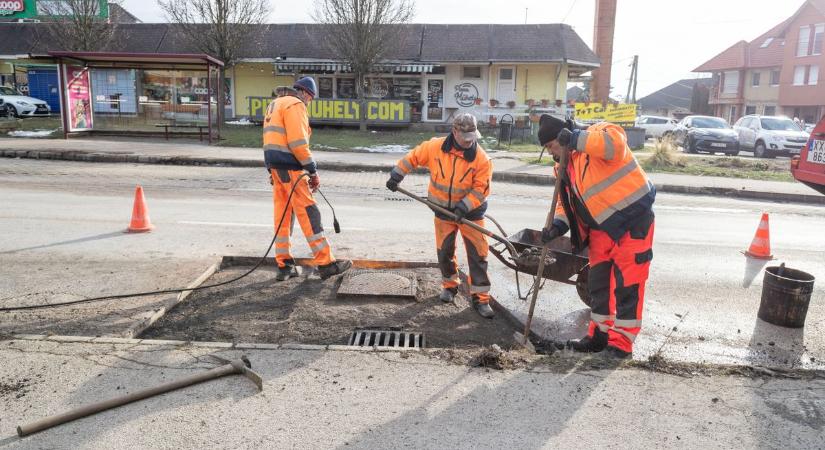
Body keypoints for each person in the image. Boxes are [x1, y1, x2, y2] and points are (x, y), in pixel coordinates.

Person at [538, 115, 656, 358]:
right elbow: (565, 204)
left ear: (562, 137)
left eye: (551, 146)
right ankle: (598, 336)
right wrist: (557, 227)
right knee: (598, 285)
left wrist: (577, 138)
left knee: (628, 286)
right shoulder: (563, 168)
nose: (551, 153)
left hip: (632, 222)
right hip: (600, 231)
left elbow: (615, 145)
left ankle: (621, 344)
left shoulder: (599, 133)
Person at [385, 114, 495, 318]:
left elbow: (481, 189)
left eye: (473, 136)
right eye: (465, 137)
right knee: (444, 251)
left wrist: (464, 206)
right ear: (454, 132)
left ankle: (481, 298)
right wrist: (397, 174)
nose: (470, 140)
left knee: (478, 256)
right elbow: (412, 157)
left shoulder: (482, 159)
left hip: (470, 214)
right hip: (442, 211)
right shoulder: (434, 147)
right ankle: (450, 286)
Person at [263, 77, 351, 281]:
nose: (308, 103)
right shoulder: (295, 104)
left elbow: (270, 139)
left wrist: (270, 169)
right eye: (310, 99)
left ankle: (284, 265)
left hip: (276, 168)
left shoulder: (275, 104)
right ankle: (326, 263)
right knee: (309, 214)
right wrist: (312, 170)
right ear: (304, 93)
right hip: (292, 169)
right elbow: (298, 143)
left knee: (282, 217)